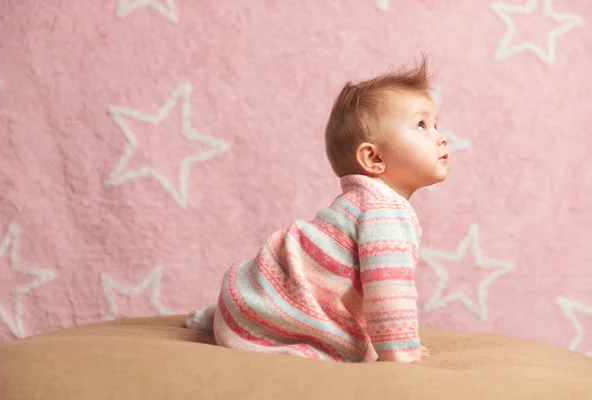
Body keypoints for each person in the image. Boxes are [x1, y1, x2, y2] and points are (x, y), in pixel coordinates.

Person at [187, 57, 450, 363]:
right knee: (340, 355)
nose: (441, 136)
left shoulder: (360, 203)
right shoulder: (385, 212)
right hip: (274, 315)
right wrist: (399, 352)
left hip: (251, 293)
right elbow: (388, 290)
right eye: (421, 125)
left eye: (436, 124)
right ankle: (250, 323)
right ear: (374, 158)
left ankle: (224, 316)